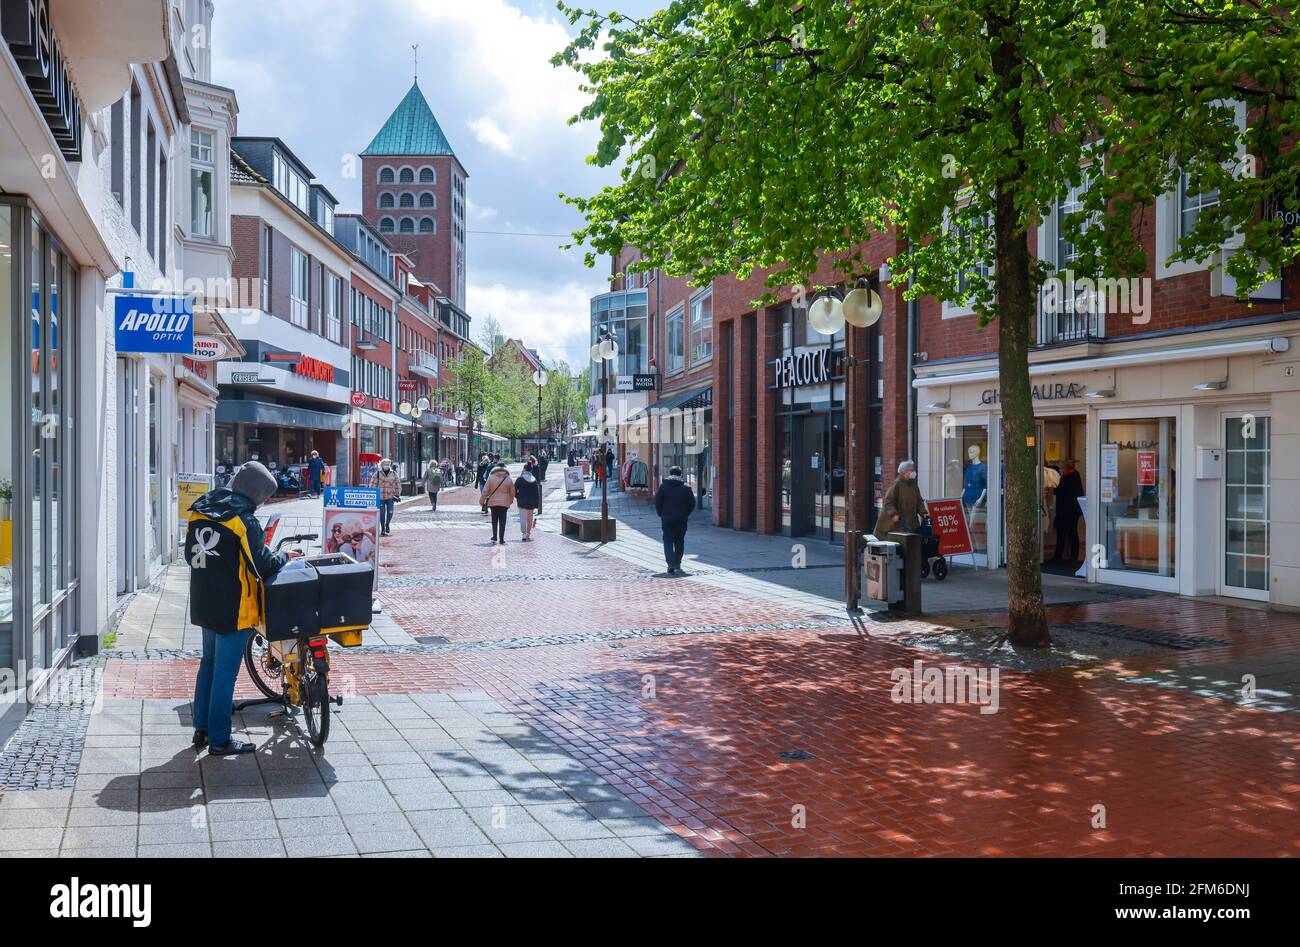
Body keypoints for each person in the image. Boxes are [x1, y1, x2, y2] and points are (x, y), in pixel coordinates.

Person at [185, 461, 300, 756]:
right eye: (263, 497)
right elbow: (263, 565)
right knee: (225, 672)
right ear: (256, 493)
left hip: (203, 600)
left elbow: (190, 555)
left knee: (208, 665)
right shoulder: (242, 520)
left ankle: (202, 728)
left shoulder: (202, 508)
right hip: (234, 607)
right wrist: (284, 554)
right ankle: (220, 739)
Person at [654, 465, 696, 574]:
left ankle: (670, 564)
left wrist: (661, 513)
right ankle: (677, 563)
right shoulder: (686, 487)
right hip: (681, 518)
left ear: (670, 473)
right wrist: (686, 513)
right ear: (680, 474)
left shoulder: (663, 486)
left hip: (667, 518)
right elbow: (692, 503)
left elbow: (658, 502)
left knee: (667, 540)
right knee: (679, 541)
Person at [875, 460, 925, 536]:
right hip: (898, 525)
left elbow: (919, 501)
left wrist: (923, 512)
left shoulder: (913, 485)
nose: (914, 472)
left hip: (911, 524)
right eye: (912, 470)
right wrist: (893, 514)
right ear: (905, 472)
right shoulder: (897, 484)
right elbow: (888, 501)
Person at [1050, 459, 1085, 564]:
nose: (1060, 471)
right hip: (1072, 510)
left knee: (1066, 533)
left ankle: (1062, 555)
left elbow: (1058, 491)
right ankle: (1071, 555)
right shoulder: (1075, 475)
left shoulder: (1067, 478)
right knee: (1071, 532)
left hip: (1067, 511)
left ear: (1065, 469)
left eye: (1061, 469)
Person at [481, 462, 516, 544]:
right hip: (504, 503)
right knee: (503, 521)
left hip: (493, 502)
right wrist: (510, 501)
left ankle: (494, 536)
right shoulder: (508, 479)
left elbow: (485, 491)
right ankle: (501, 539)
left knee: (494, 520)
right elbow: (512, 492)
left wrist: (482, 501)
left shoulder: (491, 477)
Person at [371, 457, 401, 536]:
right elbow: (372, 484)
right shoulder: (377, 473)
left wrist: (397, 494)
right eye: (385, 464)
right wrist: (372, 494)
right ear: (382, 465)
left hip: (390, 496)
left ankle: (387, 524)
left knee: (390, 512)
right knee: (382, 513)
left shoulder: (394, 473)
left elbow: (398, 484)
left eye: (388, 464)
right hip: (380, 497)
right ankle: (383, 528)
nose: (387, 465)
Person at [514, 459, 542, 541]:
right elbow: (537, 493)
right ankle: (528, 533)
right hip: (531, 502)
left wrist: (517, 497)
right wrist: (537, 504)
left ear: (524, 469)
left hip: (521, 501)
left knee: (522, 517)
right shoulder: (534, 480)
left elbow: (514, 489)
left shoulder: (520, 479)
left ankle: (523, 533)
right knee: (530, 518)